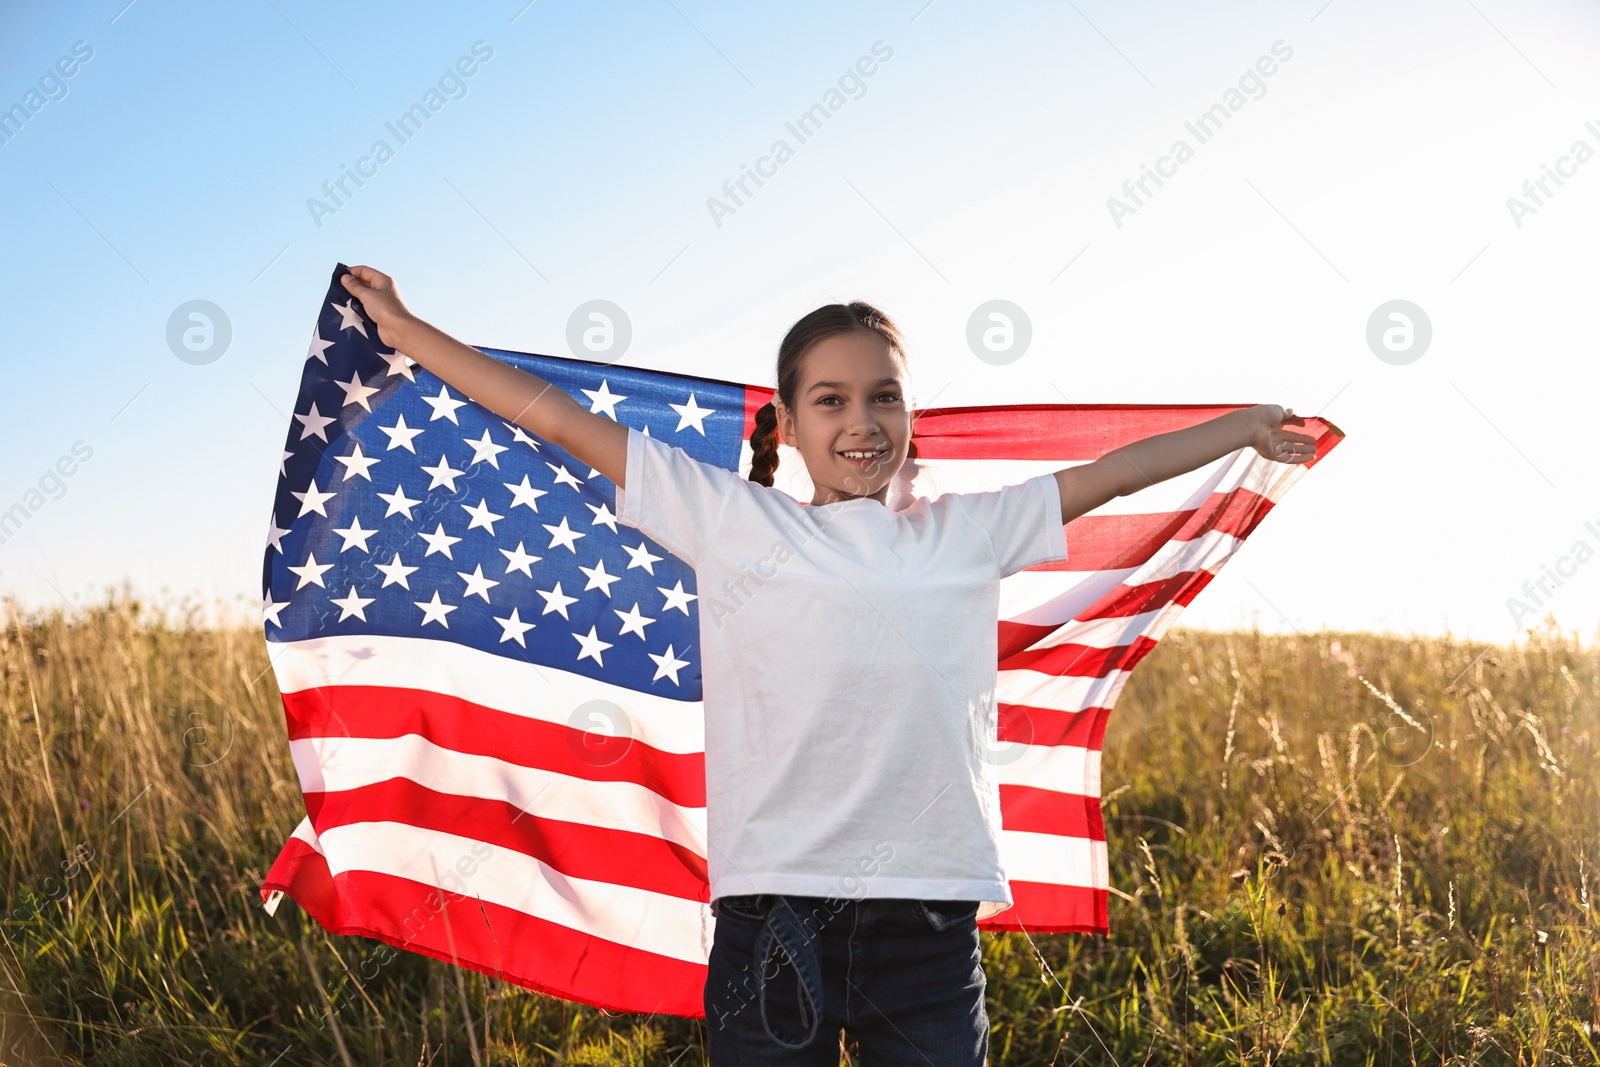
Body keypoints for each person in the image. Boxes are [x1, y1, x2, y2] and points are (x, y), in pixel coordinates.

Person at [337, 265, 1317, 1065]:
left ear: (910, 414)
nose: (861, 421)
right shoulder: (730, 519)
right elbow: (555, 418)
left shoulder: (967, 533)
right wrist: (408, 328)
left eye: (883, 395)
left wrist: (1242, 426)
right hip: (773, 923)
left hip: (927, 932)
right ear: (792, 425)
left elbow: (1111, 473)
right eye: (831, 399)